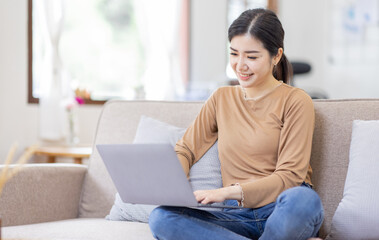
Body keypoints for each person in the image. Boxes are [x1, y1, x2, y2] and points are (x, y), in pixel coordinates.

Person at [149, 8, 324, 240]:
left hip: (281, 209)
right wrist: (174, 189)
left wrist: (226, 192)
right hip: (236, 215)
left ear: (276, 56)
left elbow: (290, 177)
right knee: (162, 217)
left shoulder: (296, 100)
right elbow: (186, 150)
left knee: (303, 201)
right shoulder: (221, 98)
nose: (240, 65)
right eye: (234, 54)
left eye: (251, 57)